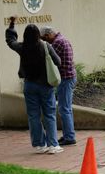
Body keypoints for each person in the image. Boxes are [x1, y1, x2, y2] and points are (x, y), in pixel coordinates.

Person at [5, 20, 63, 154]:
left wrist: (11, 26)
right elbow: (58, 62)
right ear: (38, 35)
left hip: (29, 85)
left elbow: (10, 41)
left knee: (33, 116)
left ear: (25, 35)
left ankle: (39, 145)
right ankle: (53, 145)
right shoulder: (46, 46)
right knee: (49, 114)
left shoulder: (22, 47)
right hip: (45, 86)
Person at [40, 26, 77, 145]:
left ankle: (70, 137)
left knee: (64, 109)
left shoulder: (57, 43)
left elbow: (49, 61)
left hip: (66, 78)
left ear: (48, 35)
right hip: (69, 77)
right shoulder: (62, 39)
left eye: (45, 38)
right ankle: (68, 135)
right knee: (66, 108)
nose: (45, 41)